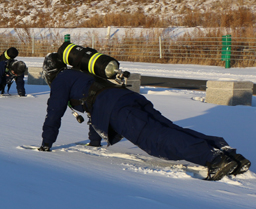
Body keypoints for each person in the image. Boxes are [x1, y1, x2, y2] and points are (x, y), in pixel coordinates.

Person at [37, 52, 250, 181]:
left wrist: (47, 143)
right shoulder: (80, 73)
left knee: (156, 139)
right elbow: (92, 104)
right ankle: (226, 153)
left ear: (49, 72)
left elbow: (54, 112)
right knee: (168, 129)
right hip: (127, 97)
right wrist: (94, 142)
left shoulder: (61, 80)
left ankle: (213, 158)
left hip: (116, 109)